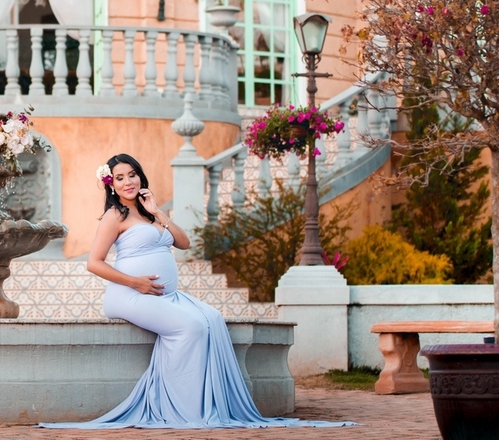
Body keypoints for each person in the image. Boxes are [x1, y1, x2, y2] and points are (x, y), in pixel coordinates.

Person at [42, 153, 353, 430]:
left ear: (140, 176)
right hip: (129, 295)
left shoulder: (150, 212)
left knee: (212, 319)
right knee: (190, 327)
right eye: (120, 177)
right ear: (111, 184)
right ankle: (181, 408)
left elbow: (184, 242)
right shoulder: (114, 217)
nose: (128, 182)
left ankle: (206, 404)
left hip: (164, 295)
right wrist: (135, 282)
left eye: (132, 174)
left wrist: (158, 211)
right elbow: (94, 264)